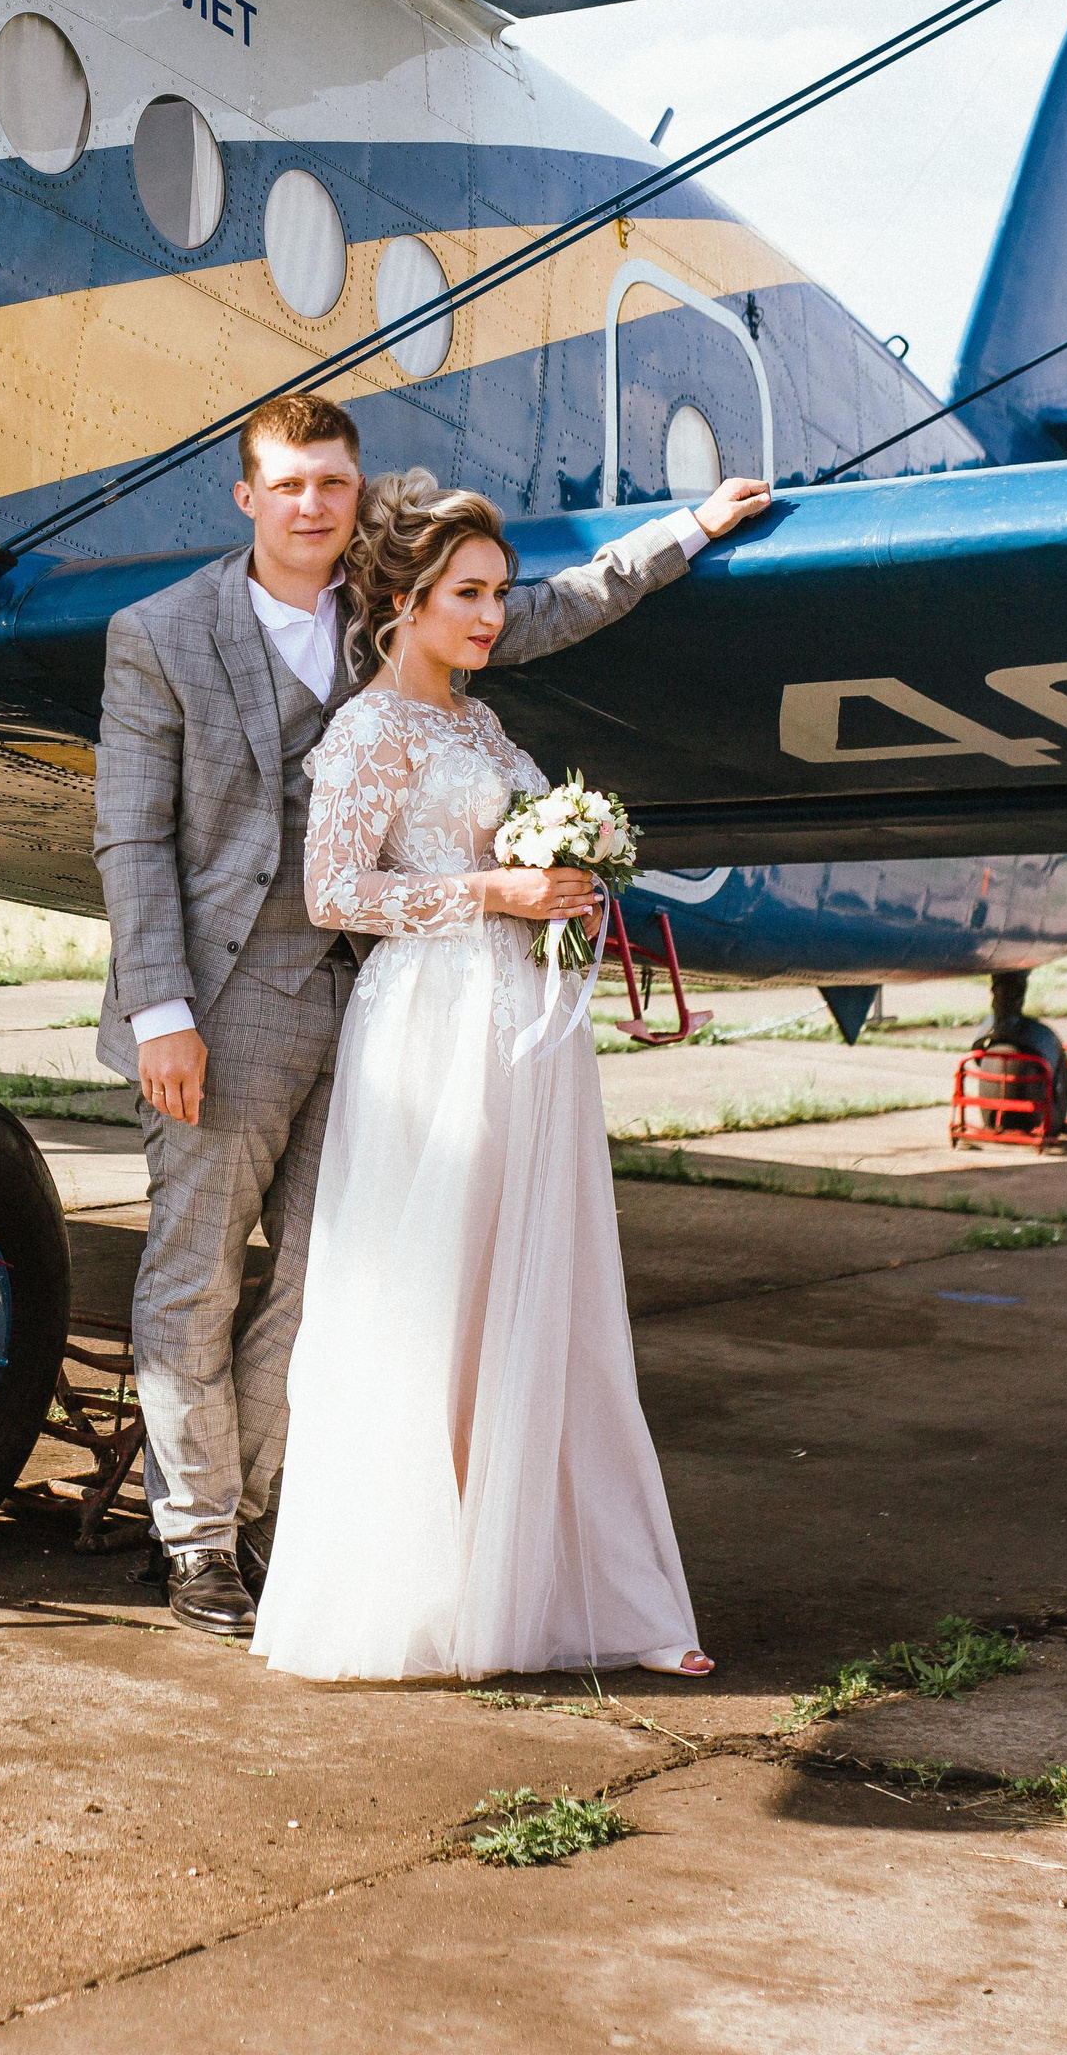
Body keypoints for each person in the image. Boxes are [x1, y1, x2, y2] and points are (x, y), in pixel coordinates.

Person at [93, 394, 769, 1641]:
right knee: (195, 1273)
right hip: (226, 1004)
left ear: (357, 497)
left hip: (376, 1010)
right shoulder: (161, 633)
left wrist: (687, 530)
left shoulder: (388, 609)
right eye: (289, 485)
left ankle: (264, 1519)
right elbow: (130, 837)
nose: (312, 506)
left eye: (333, 484)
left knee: (326, 1281)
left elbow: (549, 605)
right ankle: (192, 1542)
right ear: (247, 497)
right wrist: (159, 1014)